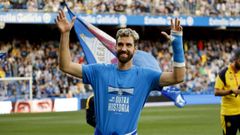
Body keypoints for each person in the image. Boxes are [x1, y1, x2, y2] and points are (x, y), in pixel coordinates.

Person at [56, 9, 185, 135]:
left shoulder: (146, 76)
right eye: (121, 44)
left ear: (135, 49)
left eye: (128, 45)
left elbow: (178, 77)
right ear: (115, 47)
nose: (124, 48)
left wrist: (177, 44)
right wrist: (65, 33)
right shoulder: (99, 71)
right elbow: (65, 66)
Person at [214, 48, 240, 135]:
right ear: (235, 59)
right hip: (229, 114)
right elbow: (216, 92)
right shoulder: (223, 73)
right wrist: (231, 91)